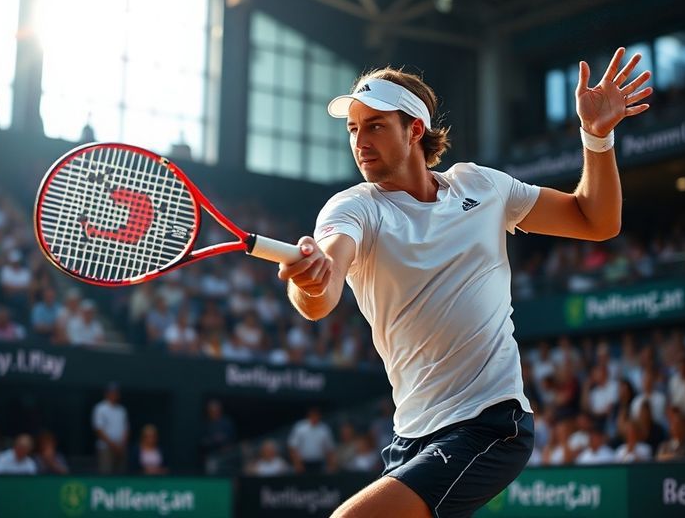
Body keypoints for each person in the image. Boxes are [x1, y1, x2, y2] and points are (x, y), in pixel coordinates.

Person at [277, 48, 652, 518]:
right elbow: (321, 293)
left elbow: (596, 220)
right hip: (410, 436)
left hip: (489, 423)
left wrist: (596, 137)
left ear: (415, 129)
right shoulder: (352, 208)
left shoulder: (481, 186)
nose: (359, 141)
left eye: (375, 126)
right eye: (353, 129)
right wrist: (311, 280)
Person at [92, 383, 129, 474]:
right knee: (106, 473)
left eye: (116, 393)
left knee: (121, 473)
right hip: (105, 447)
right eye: (112, 392)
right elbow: (98, 429)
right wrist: (113, 445)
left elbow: (126, 429)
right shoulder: (100, 408)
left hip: (120, 448)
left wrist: (122, 445)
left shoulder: (121, 410)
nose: (114, 395)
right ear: (107, 394)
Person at [287, 407, 336, 474]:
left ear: (319, 416)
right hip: (303, 463)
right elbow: (292, 447)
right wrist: (297, 463)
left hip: (319, 463)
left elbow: (329, 449)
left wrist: (331, 465)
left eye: (316, 415)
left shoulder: (324, 429)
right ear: (309, 416)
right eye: (313, 415)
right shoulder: (300, 428)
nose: (314, 417)